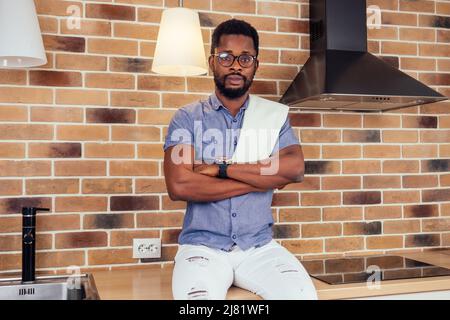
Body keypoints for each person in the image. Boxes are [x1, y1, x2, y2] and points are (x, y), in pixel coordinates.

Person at [163, 19, 318, 300]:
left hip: (259, 248)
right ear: (212, 62)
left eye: (245, 58)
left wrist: (221, 169)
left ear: (255, 65)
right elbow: (180, 186)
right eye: (226, 57)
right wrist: (262, 180)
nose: (236, 66)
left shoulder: (273, 118)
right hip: (202, 249)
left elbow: (294, 169)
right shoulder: (187, 118)